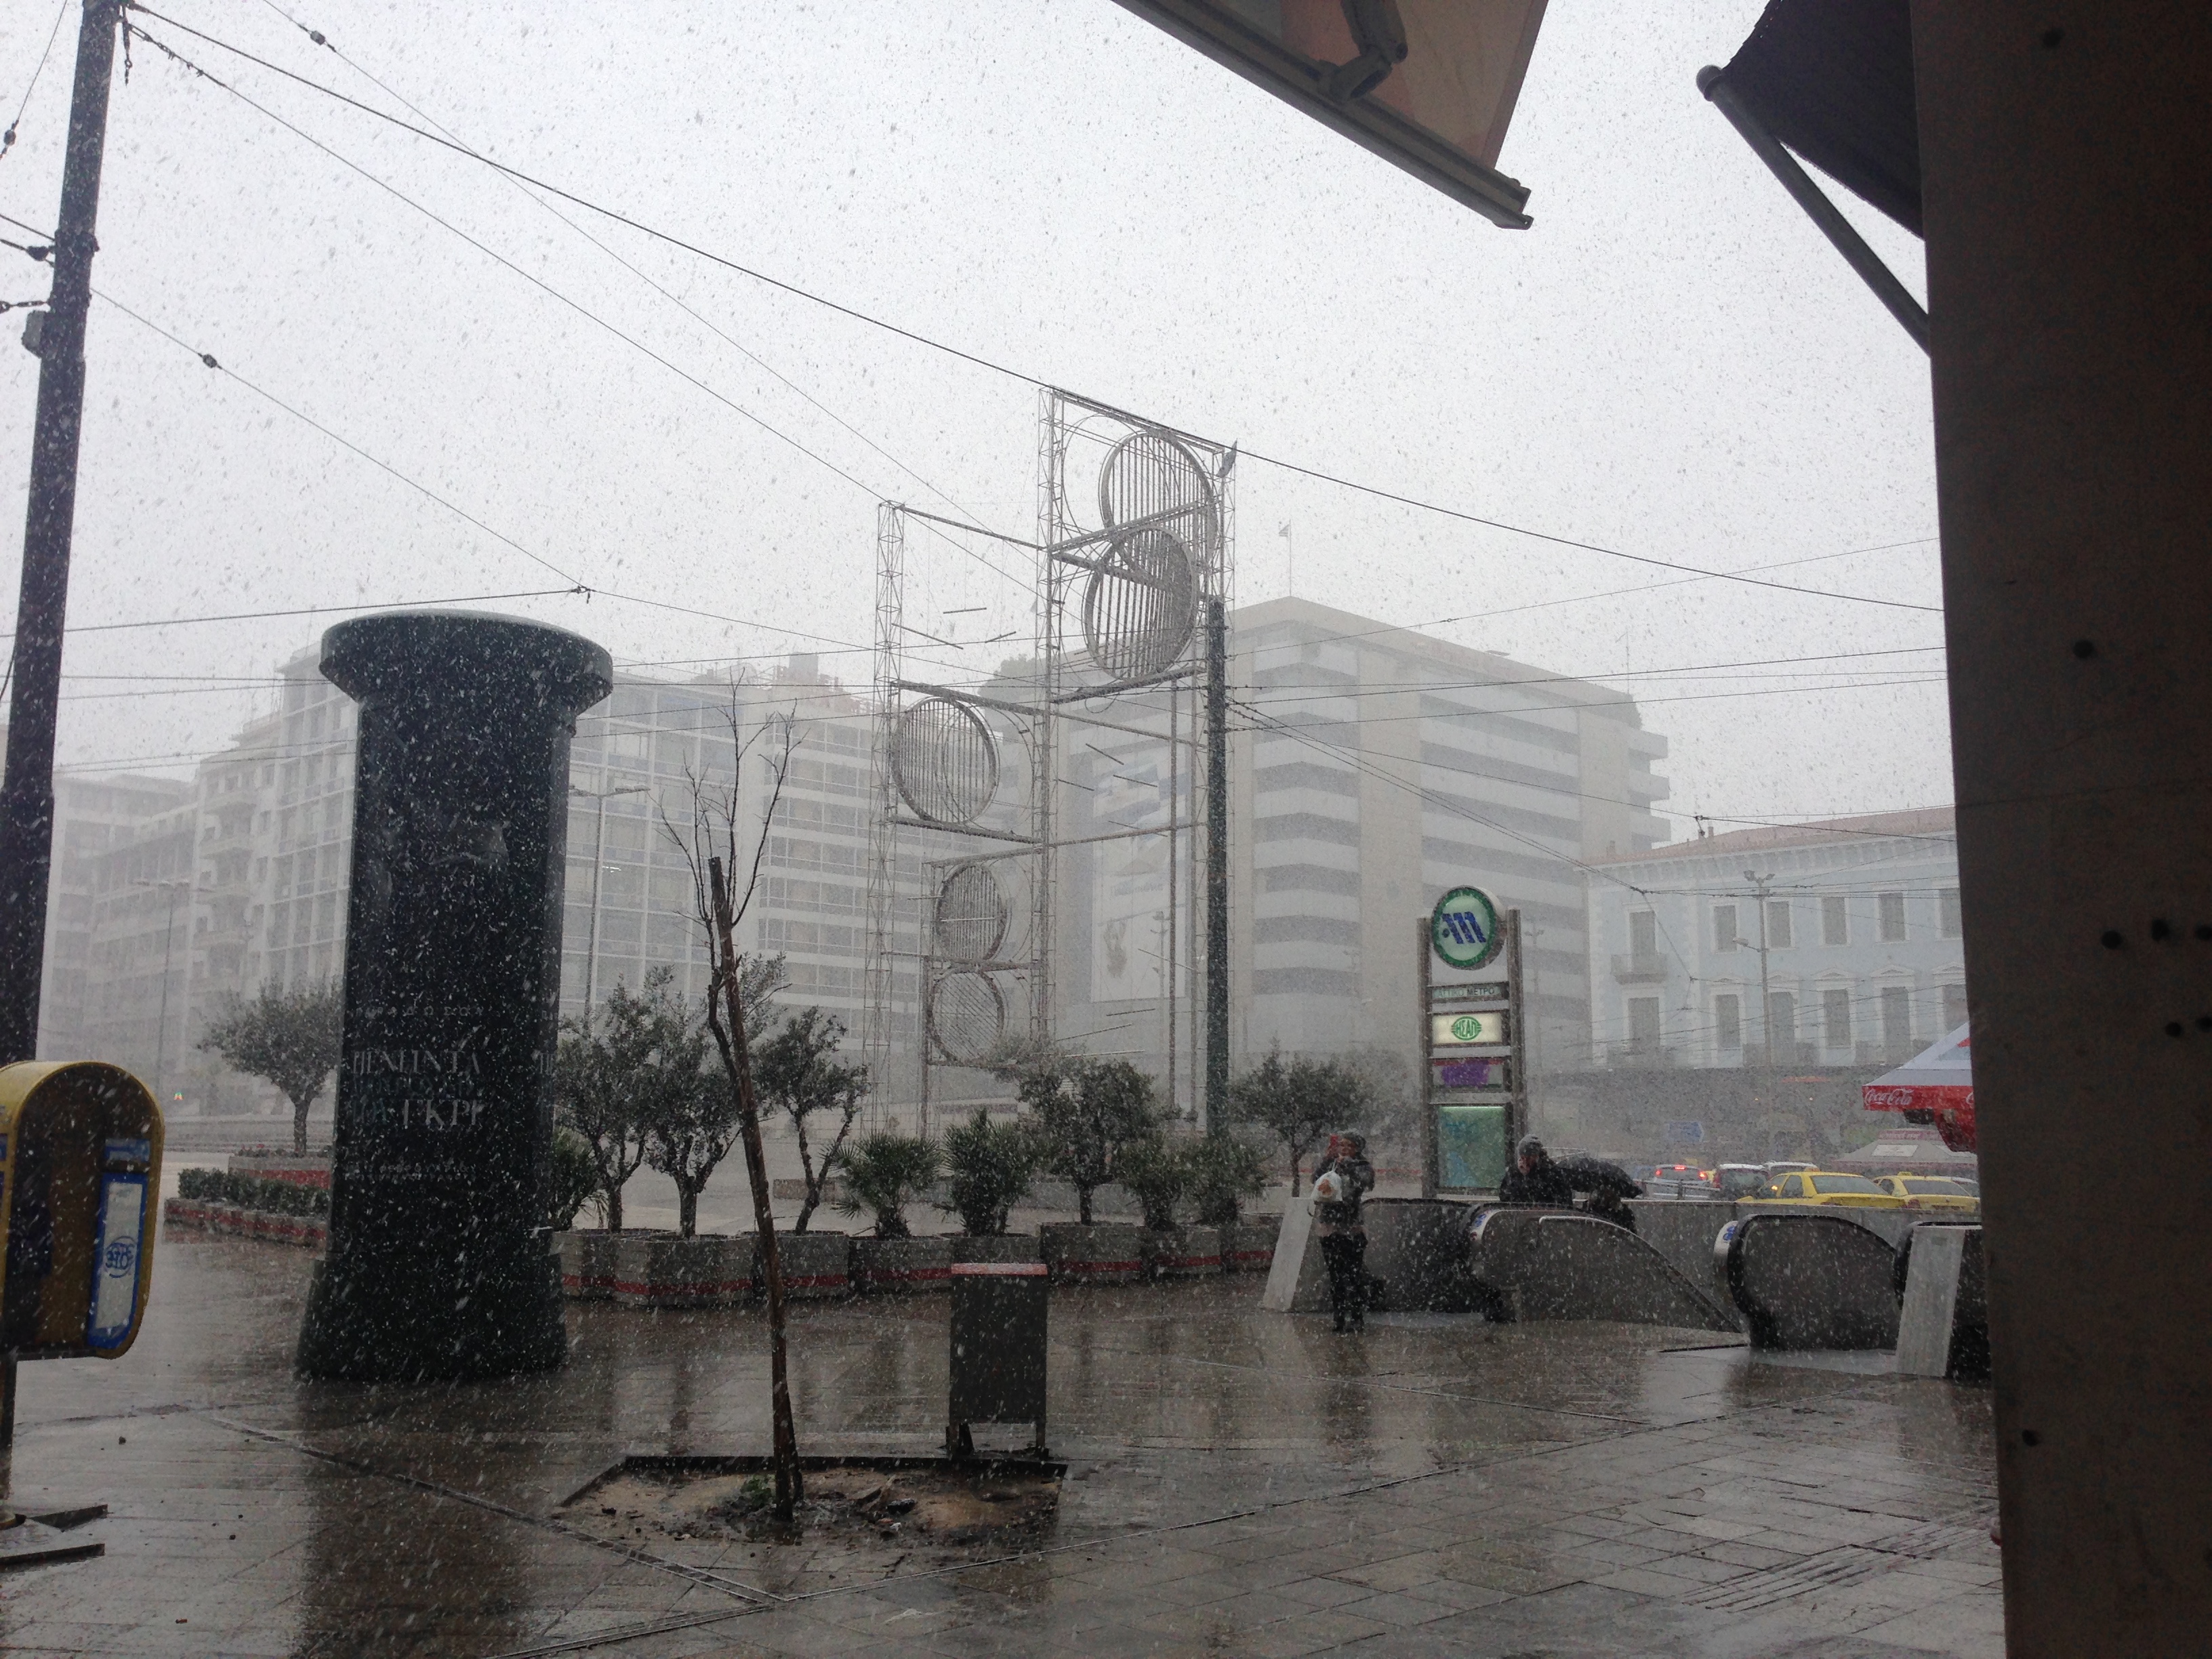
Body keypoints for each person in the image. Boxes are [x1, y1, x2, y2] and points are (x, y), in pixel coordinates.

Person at [1311, 1130, 1374, 1333]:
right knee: (1335, 1275)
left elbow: (1363, 1184)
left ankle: (1357, 1317)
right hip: (1330, 1228)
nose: (1344, 1149)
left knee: (1354, 1275)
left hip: (1352, 1228)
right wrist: (1327, 1161)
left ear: (1357, 1149)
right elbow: (1316, 1180)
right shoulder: (1332, 1164)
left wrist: (1346, 1165)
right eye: (1342, 1145)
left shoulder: (1362, 1166)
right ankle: (1338, 1317)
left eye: (1349, 1146)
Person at [1498, 1134, 1574, 1206]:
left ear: (1537, 1156)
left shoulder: (1552, 1174)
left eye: (1529, 1158)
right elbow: (1506, 1199)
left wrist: (1526, 1179)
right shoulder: (1513, 1173)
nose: (1525, 1162)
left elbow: (1561, 1202)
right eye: (1522, 1158)